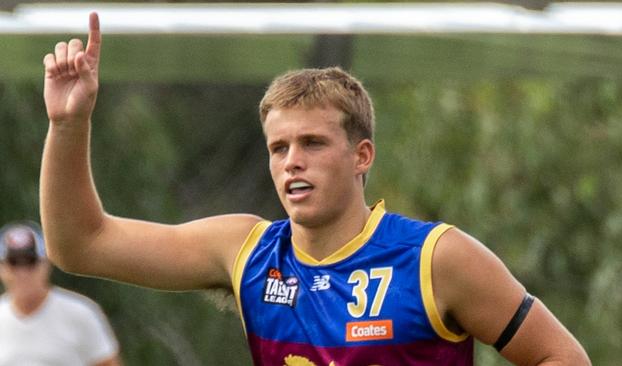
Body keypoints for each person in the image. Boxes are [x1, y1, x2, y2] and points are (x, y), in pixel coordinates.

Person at [39, 12, 591, 366]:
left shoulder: (435, 258)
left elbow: (562, 358)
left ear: (361, 156)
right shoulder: (246, 251)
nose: (292, 163)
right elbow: (80, 244)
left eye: (313, 144)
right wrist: (68, 126)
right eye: (279, 148)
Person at [0, 221, 121, 366]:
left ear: (46, 264)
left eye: (30, 262)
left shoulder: (80, 313)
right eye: (14, 263)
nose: (23, 273)